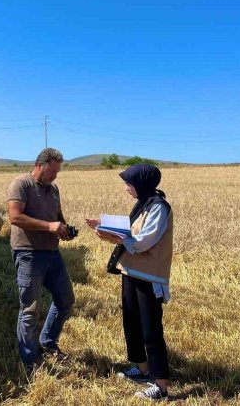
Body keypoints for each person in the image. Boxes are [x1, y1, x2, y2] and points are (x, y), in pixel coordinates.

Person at [86, 163, 173, 401]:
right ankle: (143, 370)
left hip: (149, 277)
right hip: (130, 273)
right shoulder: (143, 205)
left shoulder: (159, 208)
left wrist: (115, 237)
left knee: (151, 330)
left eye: (129, 183)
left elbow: (144, 241)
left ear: (142, 184)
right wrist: (103, 226)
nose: (126, 188)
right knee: (132, 324)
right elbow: (128, 232)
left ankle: (161, 385)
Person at [6, 147, 75, 377]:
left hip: (52, 254)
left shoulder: (53, 189)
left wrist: (65, 229)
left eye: (58, 171)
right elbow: (15, 217)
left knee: (66, 300)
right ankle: (30, 358)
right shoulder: (21, 184)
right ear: (40, 165)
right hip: (28, 253)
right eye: (52, 170)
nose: (55, 175)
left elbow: (57, 218)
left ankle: (47, 342)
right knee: (29, 309)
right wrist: (48, 227)